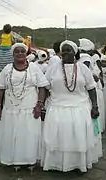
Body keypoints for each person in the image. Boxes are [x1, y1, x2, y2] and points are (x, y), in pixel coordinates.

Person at [41, 40, 102, 172]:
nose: (64, 52)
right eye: (63, 50)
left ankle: (78, 164)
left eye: (68, 50)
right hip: (56, 107)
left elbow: (91, 88)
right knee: (58, 136)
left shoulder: (83, 68)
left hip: (80, 107)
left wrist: (95, 106)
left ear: (75, 52)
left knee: (78, 137)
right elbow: (45, 88)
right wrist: (41, 106)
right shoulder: (52, 68)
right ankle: (57, 163)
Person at [0, 43, 49, 169]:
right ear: (13, 54)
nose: (20, 54)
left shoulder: (33, 68)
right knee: (13, 134)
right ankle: (14, 160)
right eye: (16, 52)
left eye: (22, 51)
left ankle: (30, 160)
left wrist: (40, 104)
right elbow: (0, 89)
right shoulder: (7, 69)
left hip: (30, 108)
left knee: (29, 134)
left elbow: (42, 87)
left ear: (26, 53)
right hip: (11, 108)